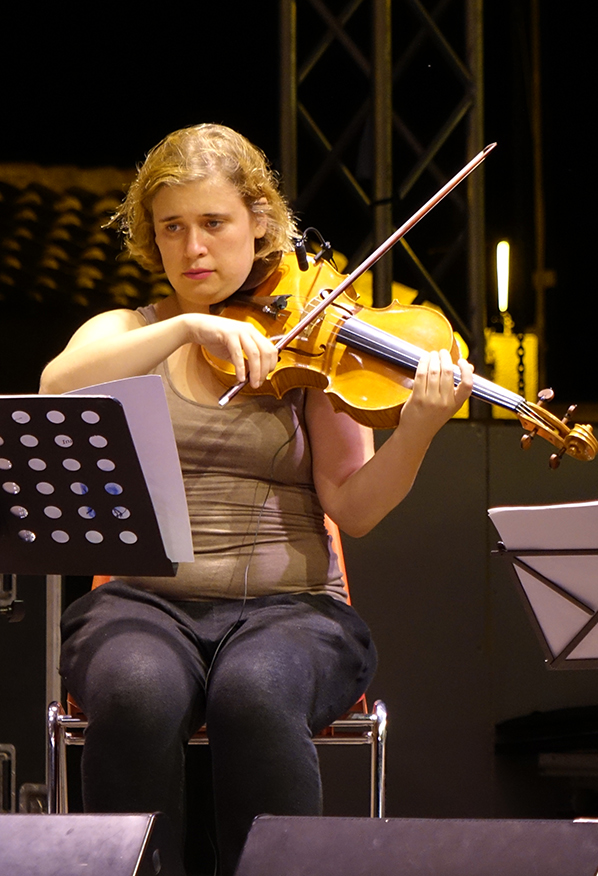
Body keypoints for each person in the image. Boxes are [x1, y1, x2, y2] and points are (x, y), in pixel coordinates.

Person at [40, 123, 473, 874]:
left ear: (258, 223)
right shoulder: (129, 331)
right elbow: (55, 387)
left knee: (254, 690)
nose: (193, 248)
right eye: (171, 228)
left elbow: (357, 509)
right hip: (143, 603)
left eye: (213, 223)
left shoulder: (312, 345)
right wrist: (184, 325)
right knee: (136, 690)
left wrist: (420, 429)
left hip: (293, 610)